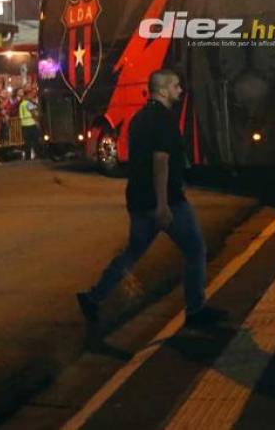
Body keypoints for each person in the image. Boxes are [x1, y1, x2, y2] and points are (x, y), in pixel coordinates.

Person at [76, 70, 225, 328]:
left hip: (137, 198)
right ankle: (195, 310)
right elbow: (160, 162)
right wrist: (163, 204)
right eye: (176, 86)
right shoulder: (164, 120)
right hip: (167, 201)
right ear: (164, 90)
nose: (181, 90)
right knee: (195, 250)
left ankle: (94, 296)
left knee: (133, 251)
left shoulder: (138, 119)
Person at [19, 88, 41, 161]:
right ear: (27, 95)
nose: (31, 96)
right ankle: (38, 155)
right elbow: (34, 112)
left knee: (27, 142)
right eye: (30, 95)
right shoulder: (28, 103)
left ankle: (27, 157)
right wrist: (38, 118)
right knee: (35, 141)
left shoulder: (21, 104)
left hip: (24, 125)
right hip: (31, 124)